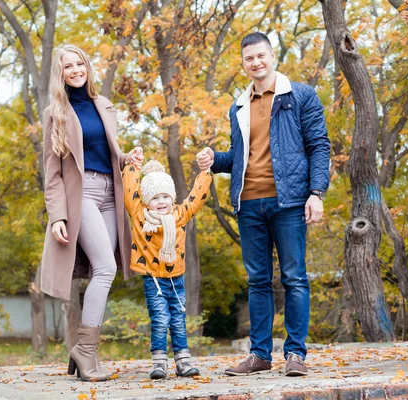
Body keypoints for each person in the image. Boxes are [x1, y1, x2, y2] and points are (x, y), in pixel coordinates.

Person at [196, 32, 330, 377]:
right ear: (243, 64)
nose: (255, 63)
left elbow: (319, 146)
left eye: (260, 56)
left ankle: (295, 355)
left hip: (288, 202)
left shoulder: (299, 95)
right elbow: (239, 157)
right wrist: (215, 158)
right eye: (249, 59)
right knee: (257, 281)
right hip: (249, 203)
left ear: (272, 57)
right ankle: (259, 355)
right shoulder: (238, 105)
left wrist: (316, 193)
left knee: (294, 278)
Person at [40, 44, 143, 382]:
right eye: (68, 66)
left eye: (79, 63)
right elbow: (52, 173)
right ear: (61, 74)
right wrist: (57, 215)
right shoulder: (56, 113)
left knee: (106, 270)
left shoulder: (103, 105)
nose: (75, 70)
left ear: (87, 67)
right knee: (105, 267)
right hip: (80, 196)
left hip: (112, 194)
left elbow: (108, 153)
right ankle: (86, 350)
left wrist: (127, 157)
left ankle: (82, 351)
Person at [122, 158, 212, 379]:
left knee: (179, 320)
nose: (161, 202)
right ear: (146, 201)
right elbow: (129, 191)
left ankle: (182, 361)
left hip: (176, 277)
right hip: (154, 279)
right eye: (155, 198)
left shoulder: (178, 216)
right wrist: (132, 166)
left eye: (165, 197)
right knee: (161, 319)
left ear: (172, 199)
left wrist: (205, 174)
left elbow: (195, 199)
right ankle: (159, 362)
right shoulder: (140, 215)